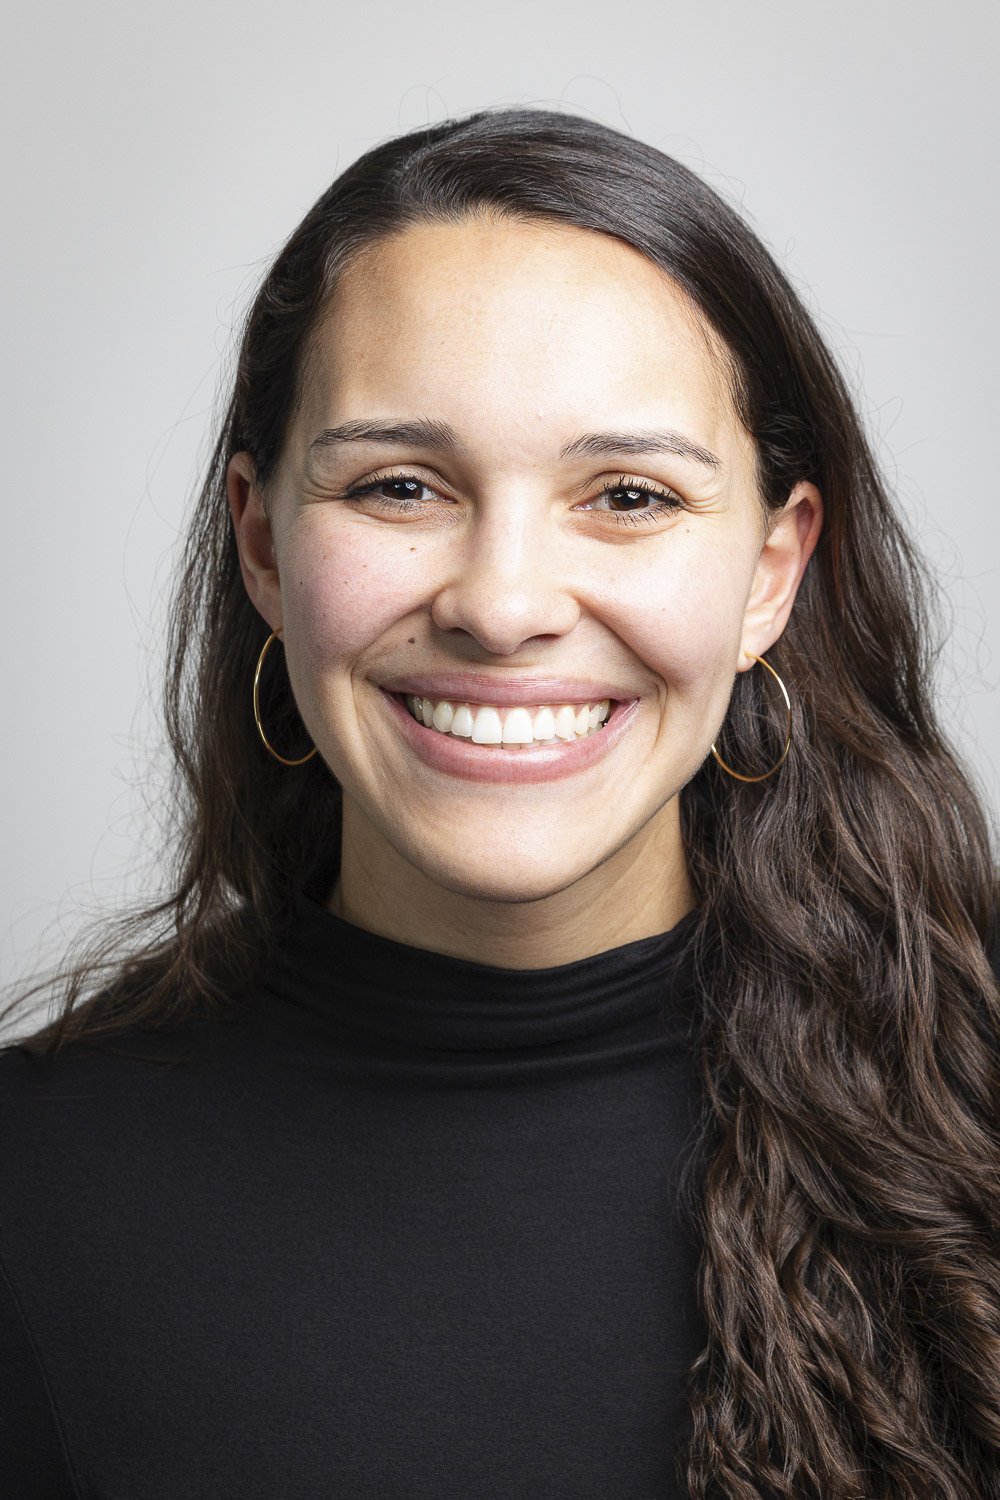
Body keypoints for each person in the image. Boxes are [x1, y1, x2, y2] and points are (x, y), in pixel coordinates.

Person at [1, 106, 998, 1500]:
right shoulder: (33, 1194)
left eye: (630, 495)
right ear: (263, 543)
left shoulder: (976, 1131)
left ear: (772, 571)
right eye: (402, 485)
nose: (504, 605)